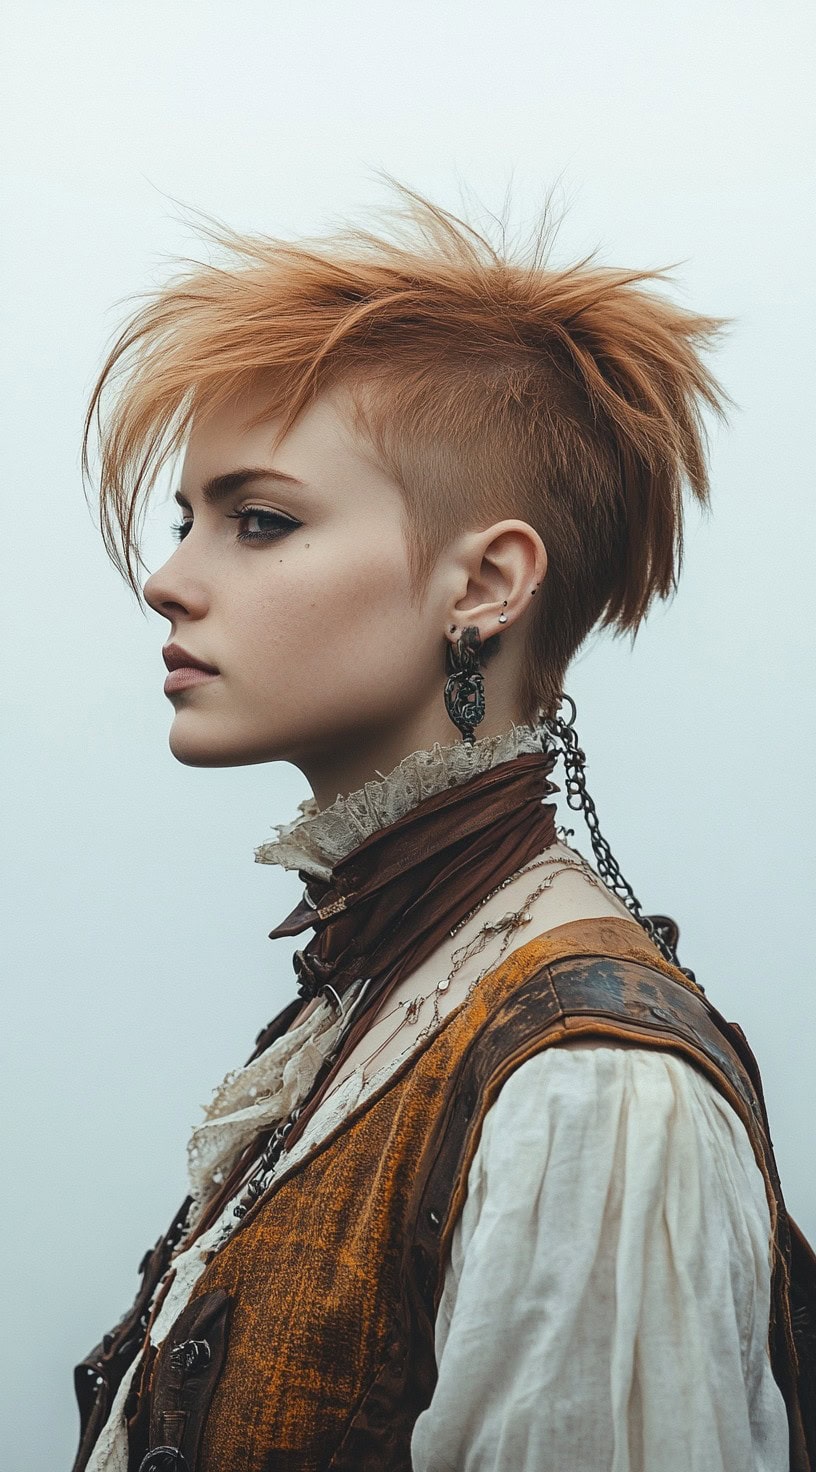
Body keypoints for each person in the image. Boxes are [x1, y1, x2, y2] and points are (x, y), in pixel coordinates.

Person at [72, 183, 815, 1472]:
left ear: (484, 584)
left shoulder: (588, 1091)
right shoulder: (382, 991)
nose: (171, 577)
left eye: (261, 521)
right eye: (185, 519)